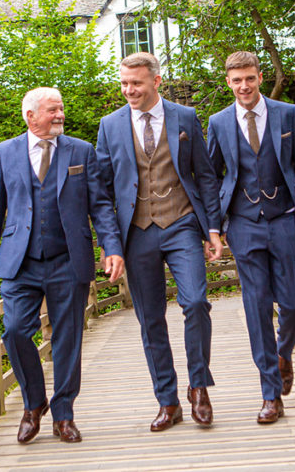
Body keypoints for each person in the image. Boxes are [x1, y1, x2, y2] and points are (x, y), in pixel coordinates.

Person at [0, 87, 124, 444]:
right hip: (19, 261)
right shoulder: (5, 152)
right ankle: (33, 403)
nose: (60, 115)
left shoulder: (81, 151)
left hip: (68, 259)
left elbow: (100, 205)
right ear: (30, 116)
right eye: (52, 110)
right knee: (13, 331)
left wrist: (111, 246)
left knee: (68, 339)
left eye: (61, 109)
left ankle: (64, 414)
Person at [95, 52, 223, 431]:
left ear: (156, 81)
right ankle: (167, 401)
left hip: (182, 222)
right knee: (151, 319)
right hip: (135, 232)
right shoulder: (109, 125)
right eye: (124, 83)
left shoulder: (184, 117)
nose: (129, 90)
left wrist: (212, 228)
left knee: (196, 301)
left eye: (136, 83)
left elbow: (205, 175)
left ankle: (198, 386)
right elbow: (102, 191)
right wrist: (111, 244)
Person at [206, 51, 295, 424]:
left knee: (293, 302)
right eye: (236, 80)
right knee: (257, 307)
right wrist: (215, 226)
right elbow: (212, 178)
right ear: (228, 82)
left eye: (249, 79)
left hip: (286, 218)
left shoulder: (286, 114)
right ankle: (270, 394)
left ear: (259, 77)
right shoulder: (219, 123)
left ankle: (284, 353)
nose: (244, 86)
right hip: (243, 223)